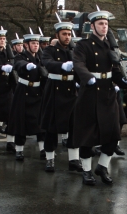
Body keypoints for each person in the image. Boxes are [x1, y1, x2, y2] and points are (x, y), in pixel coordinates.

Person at [73, 10, 127, 185]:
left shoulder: (110, 45)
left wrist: (124, 79)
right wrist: (87, 77)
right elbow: (78, 63)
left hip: (107, 95)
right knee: (88, 136)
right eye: (100, 24)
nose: (104, 27)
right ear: (92, 26)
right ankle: (86, 170)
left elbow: (113, 70)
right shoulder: (83, 45)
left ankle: (102, 166)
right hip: (90, 94)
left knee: (113, 134)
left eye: (106, 24)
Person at [40, 22, 82, 172]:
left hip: (71, 91)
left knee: (74, 127)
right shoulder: (49, 50)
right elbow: (47, 63)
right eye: (64, 34)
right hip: (54, 90)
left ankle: (74, 160)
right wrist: (62, 66)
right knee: (51, 128)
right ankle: (50, 159)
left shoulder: (74, 51)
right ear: (57, 35)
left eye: (69, 34)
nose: (67, 37)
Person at [8, 34, 46, 161]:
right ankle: (19, 150)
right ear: (26, 45)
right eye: (33, 43)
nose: (36, 45)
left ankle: (43, 149)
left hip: (37, 91)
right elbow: (18, 64)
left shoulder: (40, 57)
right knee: (21, 122)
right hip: (24, 91)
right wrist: (26, 66)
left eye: (37, 43)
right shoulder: (21, 56)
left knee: (40, 122)